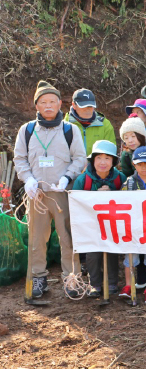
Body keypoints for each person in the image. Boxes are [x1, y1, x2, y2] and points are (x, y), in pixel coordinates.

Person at [14, 80, 87, 298]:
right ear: (36, 105)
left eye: (52, 102)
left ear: (59, 104)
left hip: (63, 194)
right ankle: (38, 279)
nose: (48, 106)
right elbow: (19, 159)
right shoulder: (26, 130)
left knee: (67, 237)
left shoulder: (70, 130)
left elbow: (80, 158)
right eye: (43, 102)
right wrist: (27, 180)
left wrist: (67, 177)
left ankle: (72, 279)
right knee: (37, 239)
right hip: (37, 195)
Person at [72, 140, 126, 298]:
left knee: (111, 251)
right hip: (90, 225)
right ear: (93, 160)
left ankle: (112, 282)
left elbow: (128, 199)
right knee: (92, 253)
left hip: (112, 223)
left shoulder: (119, 178)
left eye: (107, 158)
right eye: (99, 158)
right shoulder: (83, 180)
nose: (103, 162)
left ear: (114, 161)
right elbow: (75, 202)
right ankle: (94, 283)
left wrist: (112, 193)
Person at [119, 146, 146, 303]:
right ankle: (128, 285)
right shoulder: (129, 183)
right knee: (131, 257)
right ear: (133, 164)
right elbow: (121, 203)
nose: (143, 168)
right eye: (140, 164)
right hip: (133, 228)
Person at [64, 89, 115, 154]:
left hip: (97, 164)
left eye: (90, 106)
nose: (87, 109)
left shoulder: (105, 125)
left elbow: (110, 153)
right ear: (74, 105)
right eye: (83, 106)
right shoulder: (64, 126)